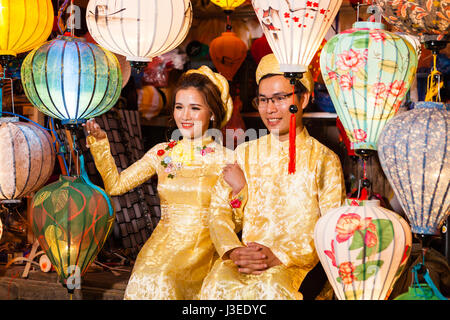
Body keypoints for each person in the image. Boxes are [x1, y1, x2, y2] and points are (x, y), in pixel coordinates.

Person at [200, 54, 346, 300]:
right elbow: (218, 211)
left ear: (304, 99)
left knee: (271, 289)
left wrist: (282, 256)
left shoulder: (324, 159)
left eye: (280, 98)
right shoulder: (244, 153)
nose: (270, 109)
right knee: (218, 285)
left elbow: (333, 229)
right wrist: (233, 250)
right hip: (243, 262)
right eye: (264, 100)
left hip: (298, 267)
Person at [84, 66, 235, 300]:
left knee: (165, 280)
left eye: (195, 108)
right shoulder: (162, 153)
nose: (185, 115)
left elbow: (238, 212)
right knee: (145, 279)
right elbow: (116, 185)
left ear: (212, 112)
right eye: (179, 107)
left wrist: (240, 191)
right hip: (159, 246)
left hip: (202, 246)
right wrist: (101, 144)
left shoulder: (227, 158)